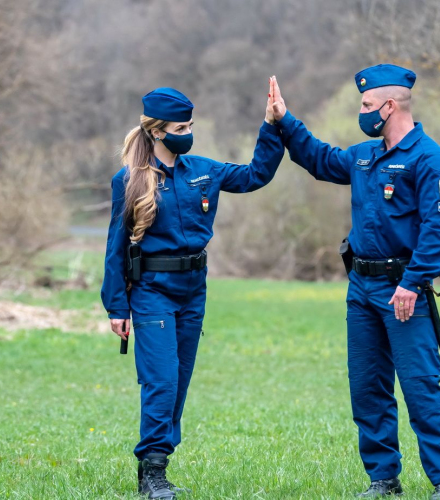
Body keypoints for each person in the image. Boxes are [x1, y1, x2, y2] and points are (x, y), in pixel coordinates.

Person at [267, 66, 440, 499]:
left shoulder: (430, 160)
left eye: (367, 105)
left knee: (419, 388)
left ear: (389, 106)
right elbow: (318, 158)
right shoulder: (364, 157)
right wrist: (284, 119)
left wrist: (412, 283)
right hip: (361, 290)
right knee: (368, 390)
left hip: (403, 291)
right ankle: (384, 479)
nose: (362, 111)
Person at [101, 82, 284, 499]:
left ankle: (159, 463)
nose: (189, 131)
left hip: (192, 291)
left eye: (191, 124)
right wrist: (116, 306)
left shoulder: (204, 170)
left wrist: (271, 126)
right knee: (161, 380)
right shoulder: (129, 180)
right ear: (157, 131)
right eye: (181, 126)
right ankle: (152, 472)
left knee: (178, 382)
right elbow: (115, 246)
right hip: (151, 290)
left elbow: (255, 175)